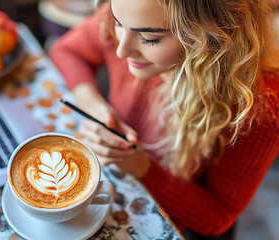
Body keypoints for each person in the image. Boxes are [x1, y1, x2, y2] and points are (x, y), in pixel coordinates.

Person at [50, 0, 279, 239]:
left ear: (213, 36)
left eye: (149, 38)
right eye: (117, 24)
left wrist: (143, 168)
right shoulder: (131, 12)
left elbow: (219, 216)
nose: (122, 50)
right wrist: (92, 104)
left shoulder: (260, 108)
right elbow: (66, 50)